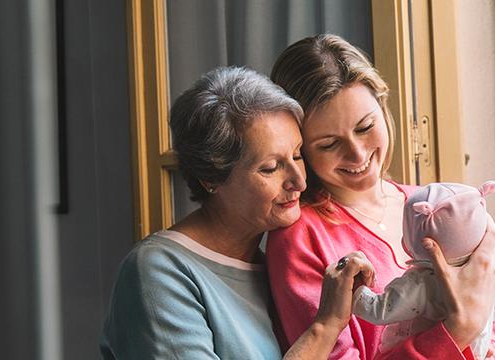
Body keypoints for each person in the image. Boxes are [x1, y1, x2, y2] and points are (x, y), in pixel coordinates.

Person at [99, 66, 377, 359]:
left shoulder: (271, 263)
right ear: (211, 178)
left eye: (297, 155)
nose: (299, 181)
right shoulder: (157, 273)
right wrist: (326, 326)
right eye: (270, 168)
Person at [266, 34, 495, 359]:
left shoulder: (434, 208)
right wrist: (453, 332)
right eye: (328, 144)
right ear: (300, 150)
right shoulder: (301, 239)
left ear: (383, 106)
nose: (357, 154)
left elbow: (488, 330)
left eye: (365, 127)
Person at [352, 181, 495, 357]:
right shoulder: (485, 275)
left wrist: (355, 292)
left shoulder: (421, 283)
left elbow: (379, 311)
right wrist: (481, 333)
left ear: (410, 244)